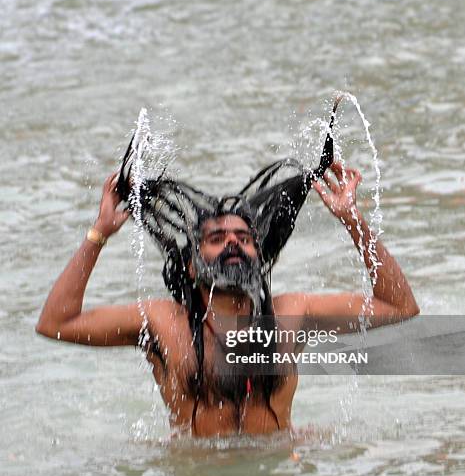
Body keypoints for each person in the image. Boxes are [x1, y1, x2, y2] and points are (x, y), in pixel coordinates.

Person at [36, 153, 419, 438]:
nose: (233, 243)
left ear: (260, 257)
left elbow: (399, 307)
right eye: (216, 239)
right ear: (191, 265)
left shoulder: (291, 315)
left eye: (245, 239)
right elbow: (56, 323)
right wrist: (99, 233)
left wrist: (351, 219)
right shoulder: (160, 322)